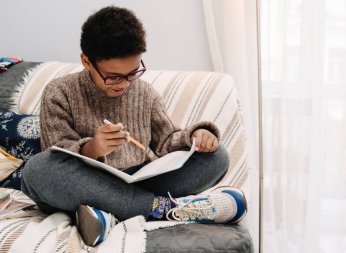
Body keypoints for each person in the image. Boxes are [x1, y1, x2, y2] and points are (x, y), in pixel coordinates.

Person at [21, 6, 247, 246]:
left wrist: (197, 137)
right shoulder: (60, 91)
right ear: (86, 61)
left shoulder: (145, 93)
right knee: (37, 170)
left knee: (218, 157)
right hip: (84, 184)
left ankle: (109, 214)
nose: (124, 84)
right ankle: (159, 208)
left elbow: (167, 141)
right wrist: (92, 148)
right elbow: (55, 151)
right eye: (113, 76)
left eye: (132, 73)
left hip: (138, 180)